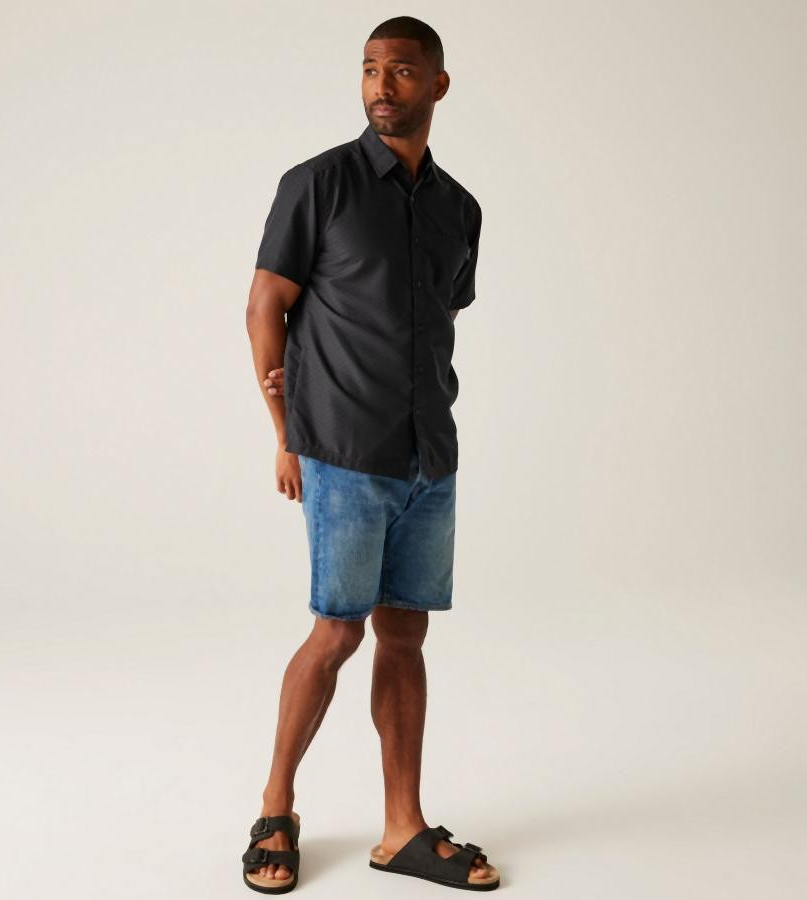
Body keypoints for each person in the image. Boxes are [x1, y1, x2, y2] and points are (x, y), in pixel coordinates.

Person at [242, 15, 497, 894]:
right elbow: (265, 305)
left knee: (406, 634)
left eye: (402, 70)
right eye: (369, 69)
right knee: (337, 630)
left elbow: (439, 320)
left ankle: (402, 830)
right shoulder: (318, 184)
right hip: (343, 452)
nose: (382, 86)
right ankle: (276, 809)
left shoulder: (460, 208)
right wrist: (286, 437)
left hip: (430, 458)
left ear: (438, 84)